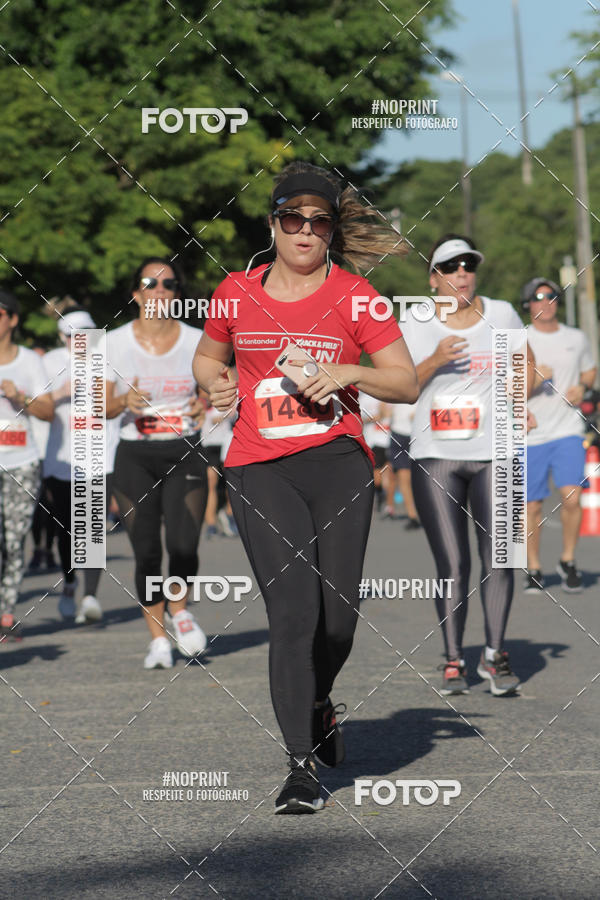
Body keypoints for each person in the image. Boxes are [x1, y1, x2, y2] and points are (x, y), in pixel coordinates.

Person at [193, 161, 418, 814]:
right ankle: (299, 768)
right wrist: (214, 381)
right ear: (274, 223)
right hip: (259, 464)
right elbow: (209, 356)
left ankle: (319, 702)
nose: (305, 230)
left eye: (318, 222)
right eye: (293, 218)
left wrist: (347, 369)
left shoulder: (356, 297)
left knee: (338, 619)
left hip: (339, 463)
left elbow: (403, 381)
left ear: (328, 232)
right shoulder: (235, 291)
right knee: (293, 613)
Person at [402, 234, 533, 697]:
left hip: (496, 450)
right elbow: (400, 385)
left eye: (467, 265)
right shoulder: (415, 320)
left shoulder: (499, 313)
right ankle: (454, 658)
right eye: (450, 266)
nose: (461, 273)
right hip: (436, 452)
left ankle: (495, 657)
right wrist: (436, 359)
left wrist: (519, 403)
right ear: (432, 278)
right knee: (453, 563)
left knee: (501, 558)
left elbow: (525, 361)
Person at [105, 257, 208, 669]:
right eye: (150, 283)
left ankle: (180, 612)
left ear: (177, 294)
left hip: (183, 448)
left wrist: (207, 402)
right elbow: (93, 404)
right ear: (136, 294)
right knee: (146, 553)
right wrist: (121, 401)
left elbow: (218, 385)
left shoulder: (196, 339)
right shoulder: (112, 343)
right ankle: (158, 639)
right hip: (134, 455)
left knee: (184, 544)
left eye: (168, 284)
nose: (159, 290)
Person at [43, 308, 120, 623]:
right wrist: (57, 394)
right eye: (74, 336)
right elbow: (33, 402)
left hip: (101, 455)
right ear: (62, 338)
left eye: (87, 334)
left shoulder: (109, 360)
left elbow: (122, 402)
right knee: (66, 531)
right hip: (62, 458)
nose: (82, 342)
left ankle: (90, 596)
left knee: (92, 527)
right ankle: (70, 583)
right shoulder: (48, 362)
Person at [521, 277, 596, 593]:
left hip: (568, 429)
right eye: (538, 297)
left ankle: (567, 560)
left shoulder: (576, 337)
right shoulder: (519, 339)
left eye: (551, 296)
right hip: (531, 434)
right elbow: (506, 392)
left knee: (572, 496)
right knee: (532, 505)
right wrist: (535, 379)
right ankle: (534, 568)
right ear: (528, 306)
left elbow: (589, 369)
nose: (545, 302)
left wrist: (584, 386)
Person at [0, 290, 54, 640]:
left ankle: (6, 613)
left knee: (14, 539)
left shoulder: (29, 362)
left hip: (21, 462)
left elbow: (47, 411)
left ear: (13, 319)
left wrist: (19, 397)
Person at [385, 402, 420, 527]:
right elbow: (385, 412)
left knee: (404, 477)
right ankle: (391, 507)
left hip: (410, 435)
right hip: (400, 434)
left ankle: (413, 515)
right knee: (395, 475)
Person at [358, 392, 391, 515]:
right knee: (376, 474)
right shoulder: (362, 398)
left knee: (386, 473)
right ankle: (379, 494)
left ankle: (387, 501)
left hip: (386, 439)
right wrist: (372, 418)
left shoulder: (387, 395)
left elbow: (388, 414)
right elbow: (359, 418)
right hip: (371, 440)